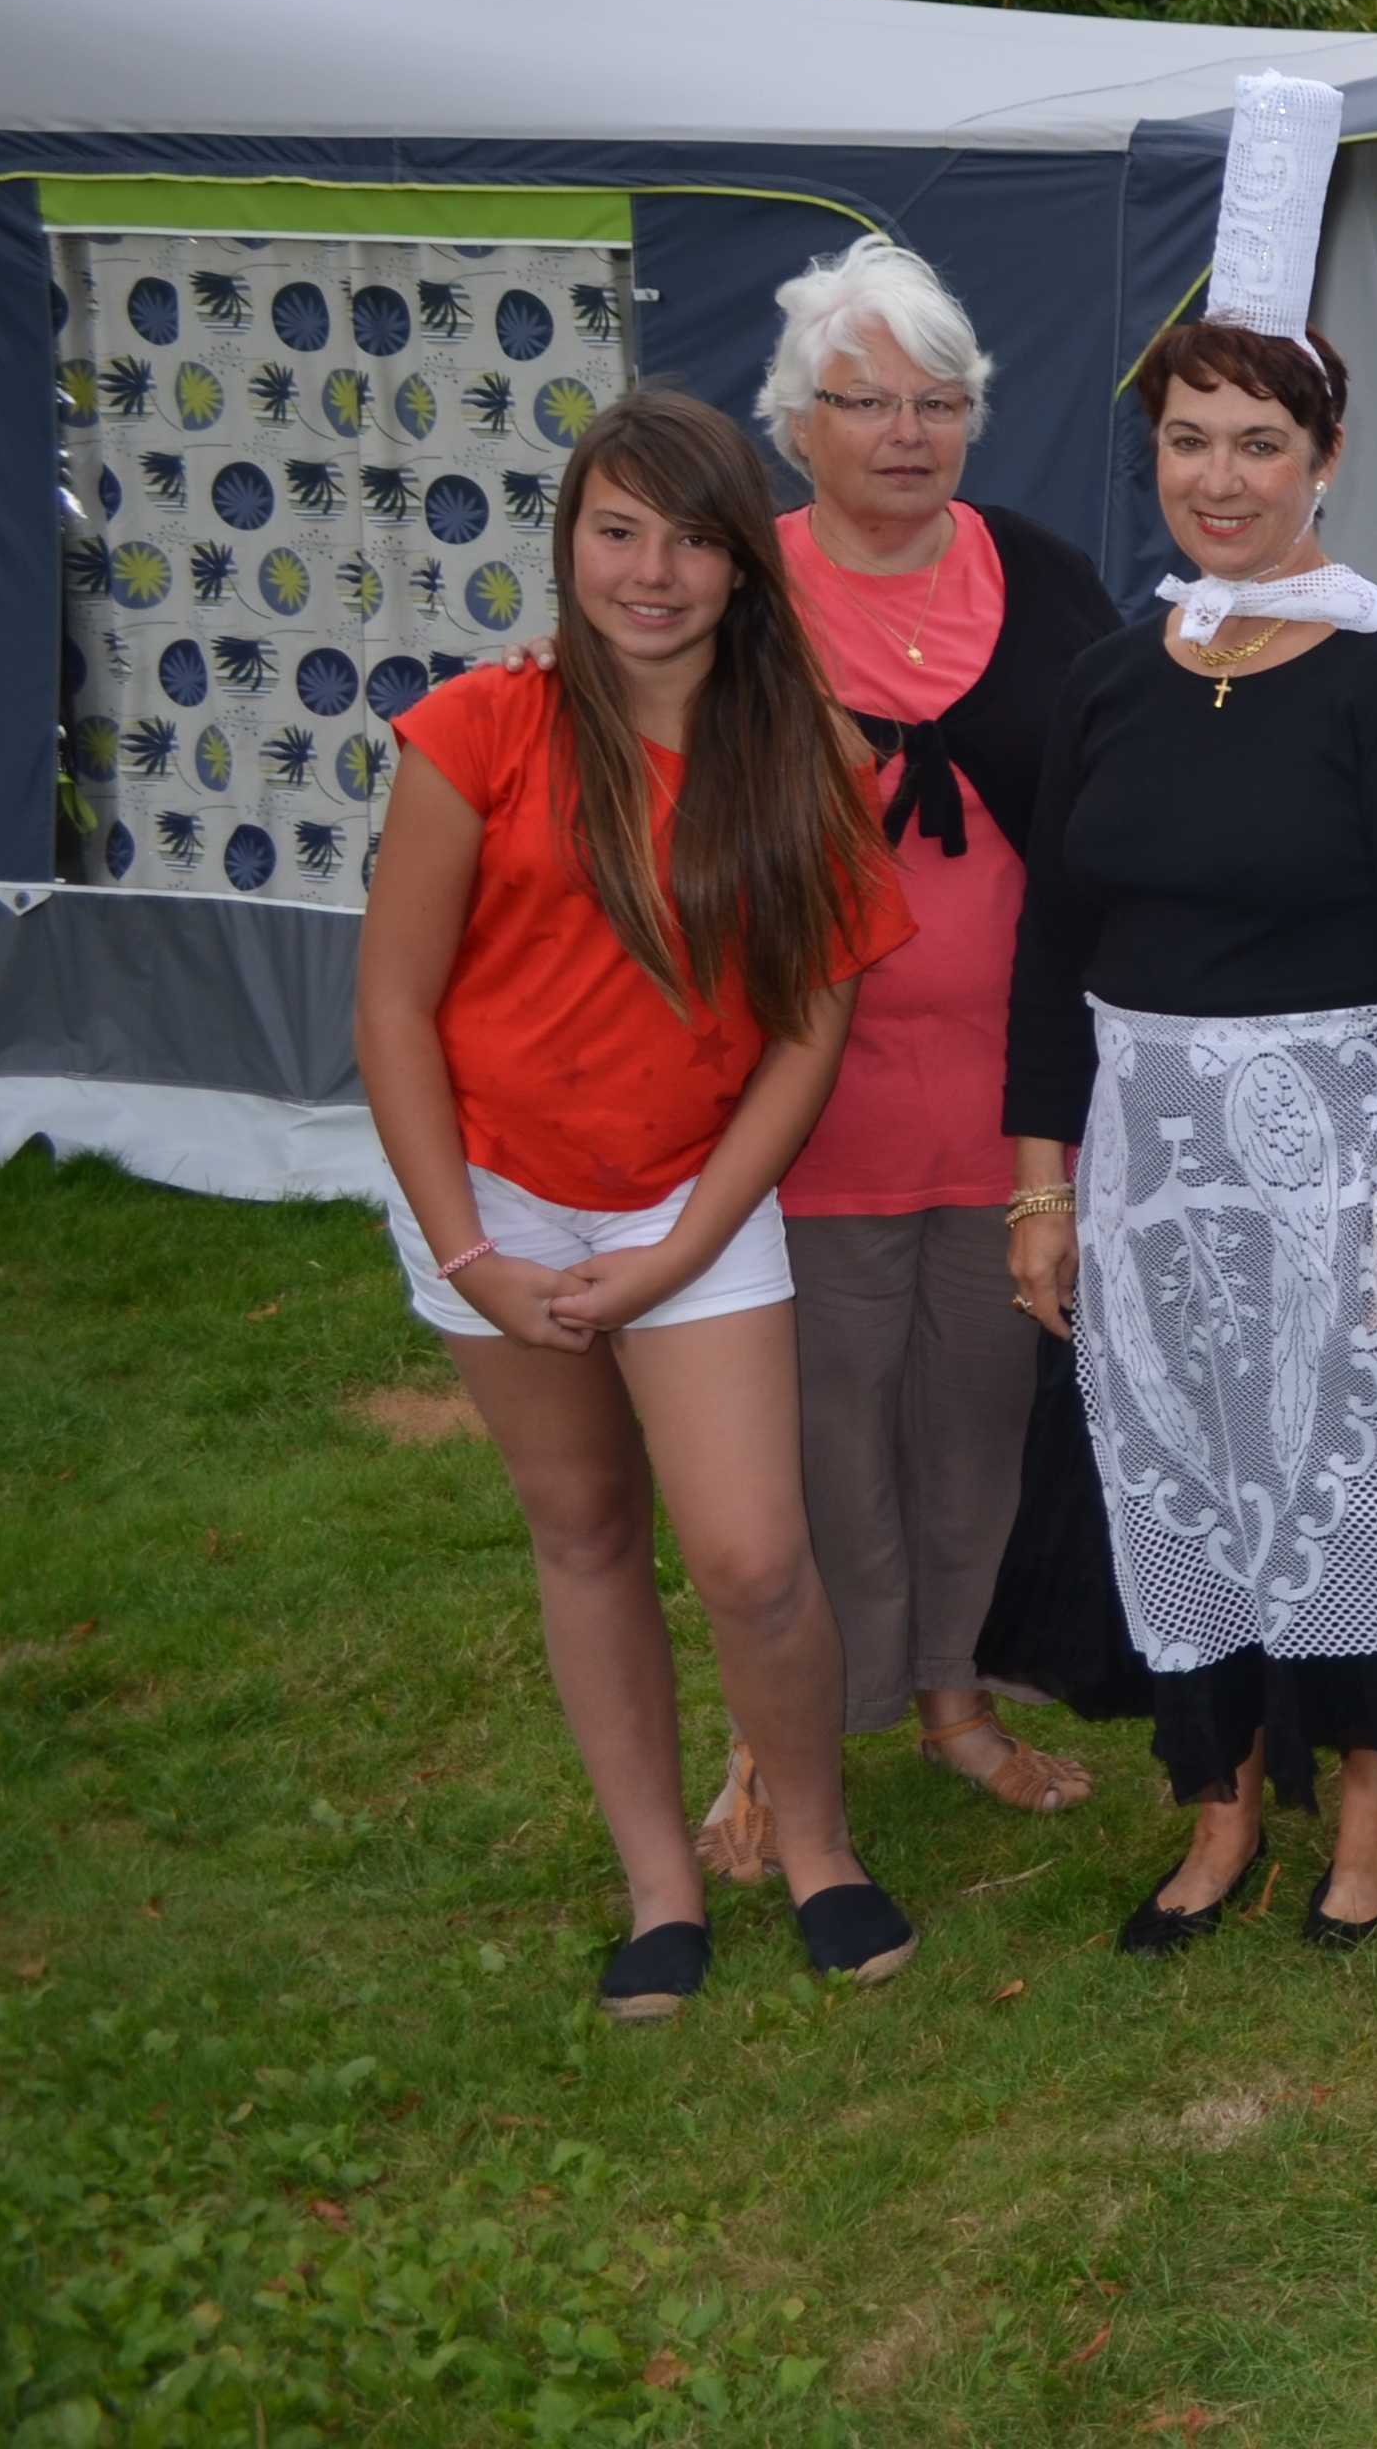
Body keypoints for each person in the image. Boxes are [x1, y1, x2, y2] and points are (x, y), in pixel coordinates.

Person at [986, 285, 1377, 1953]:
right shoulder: (1113, 678)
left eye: (1261, 443)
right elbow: (1052, 951)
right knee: (1181, 1474)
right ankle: (1221, 1800)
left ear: (1326, 460)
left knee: (1347, 1480)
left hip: (1340, 1162)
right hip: (1147, 1171)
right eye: (1189, 441)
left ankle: (1373, 1805)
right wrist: (1039, 1188)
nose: (1222, 478)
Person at [354, 388, 925, 2021]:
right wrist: (471, 1250)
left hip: (690, 1195)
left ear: (746, 566)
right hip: (491, 1200)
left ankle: (811, 1845)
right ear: (568, 543)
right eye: (618, 531)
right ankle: (659, 1885)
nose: (652, 572)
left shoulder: (808, 754)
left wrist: (682, 1245)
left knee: (751, 1556)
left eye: (691, 539)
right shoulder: (473, 732)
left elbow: (812, 1026)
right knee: (587, 1528)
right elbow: (392, 1009)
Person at [684, 240, 1124, 1881]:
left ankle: (956, 1701)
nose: (906, 433)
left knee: (977, 1421)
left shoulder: (1044, 573)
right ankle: (783, 1740)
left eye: (940, 402)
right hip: (800, 1112)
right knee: (811, 1440)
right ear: (797, 420)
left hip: (1015, 1109)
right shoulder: (732, 590)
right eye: (866, 402)